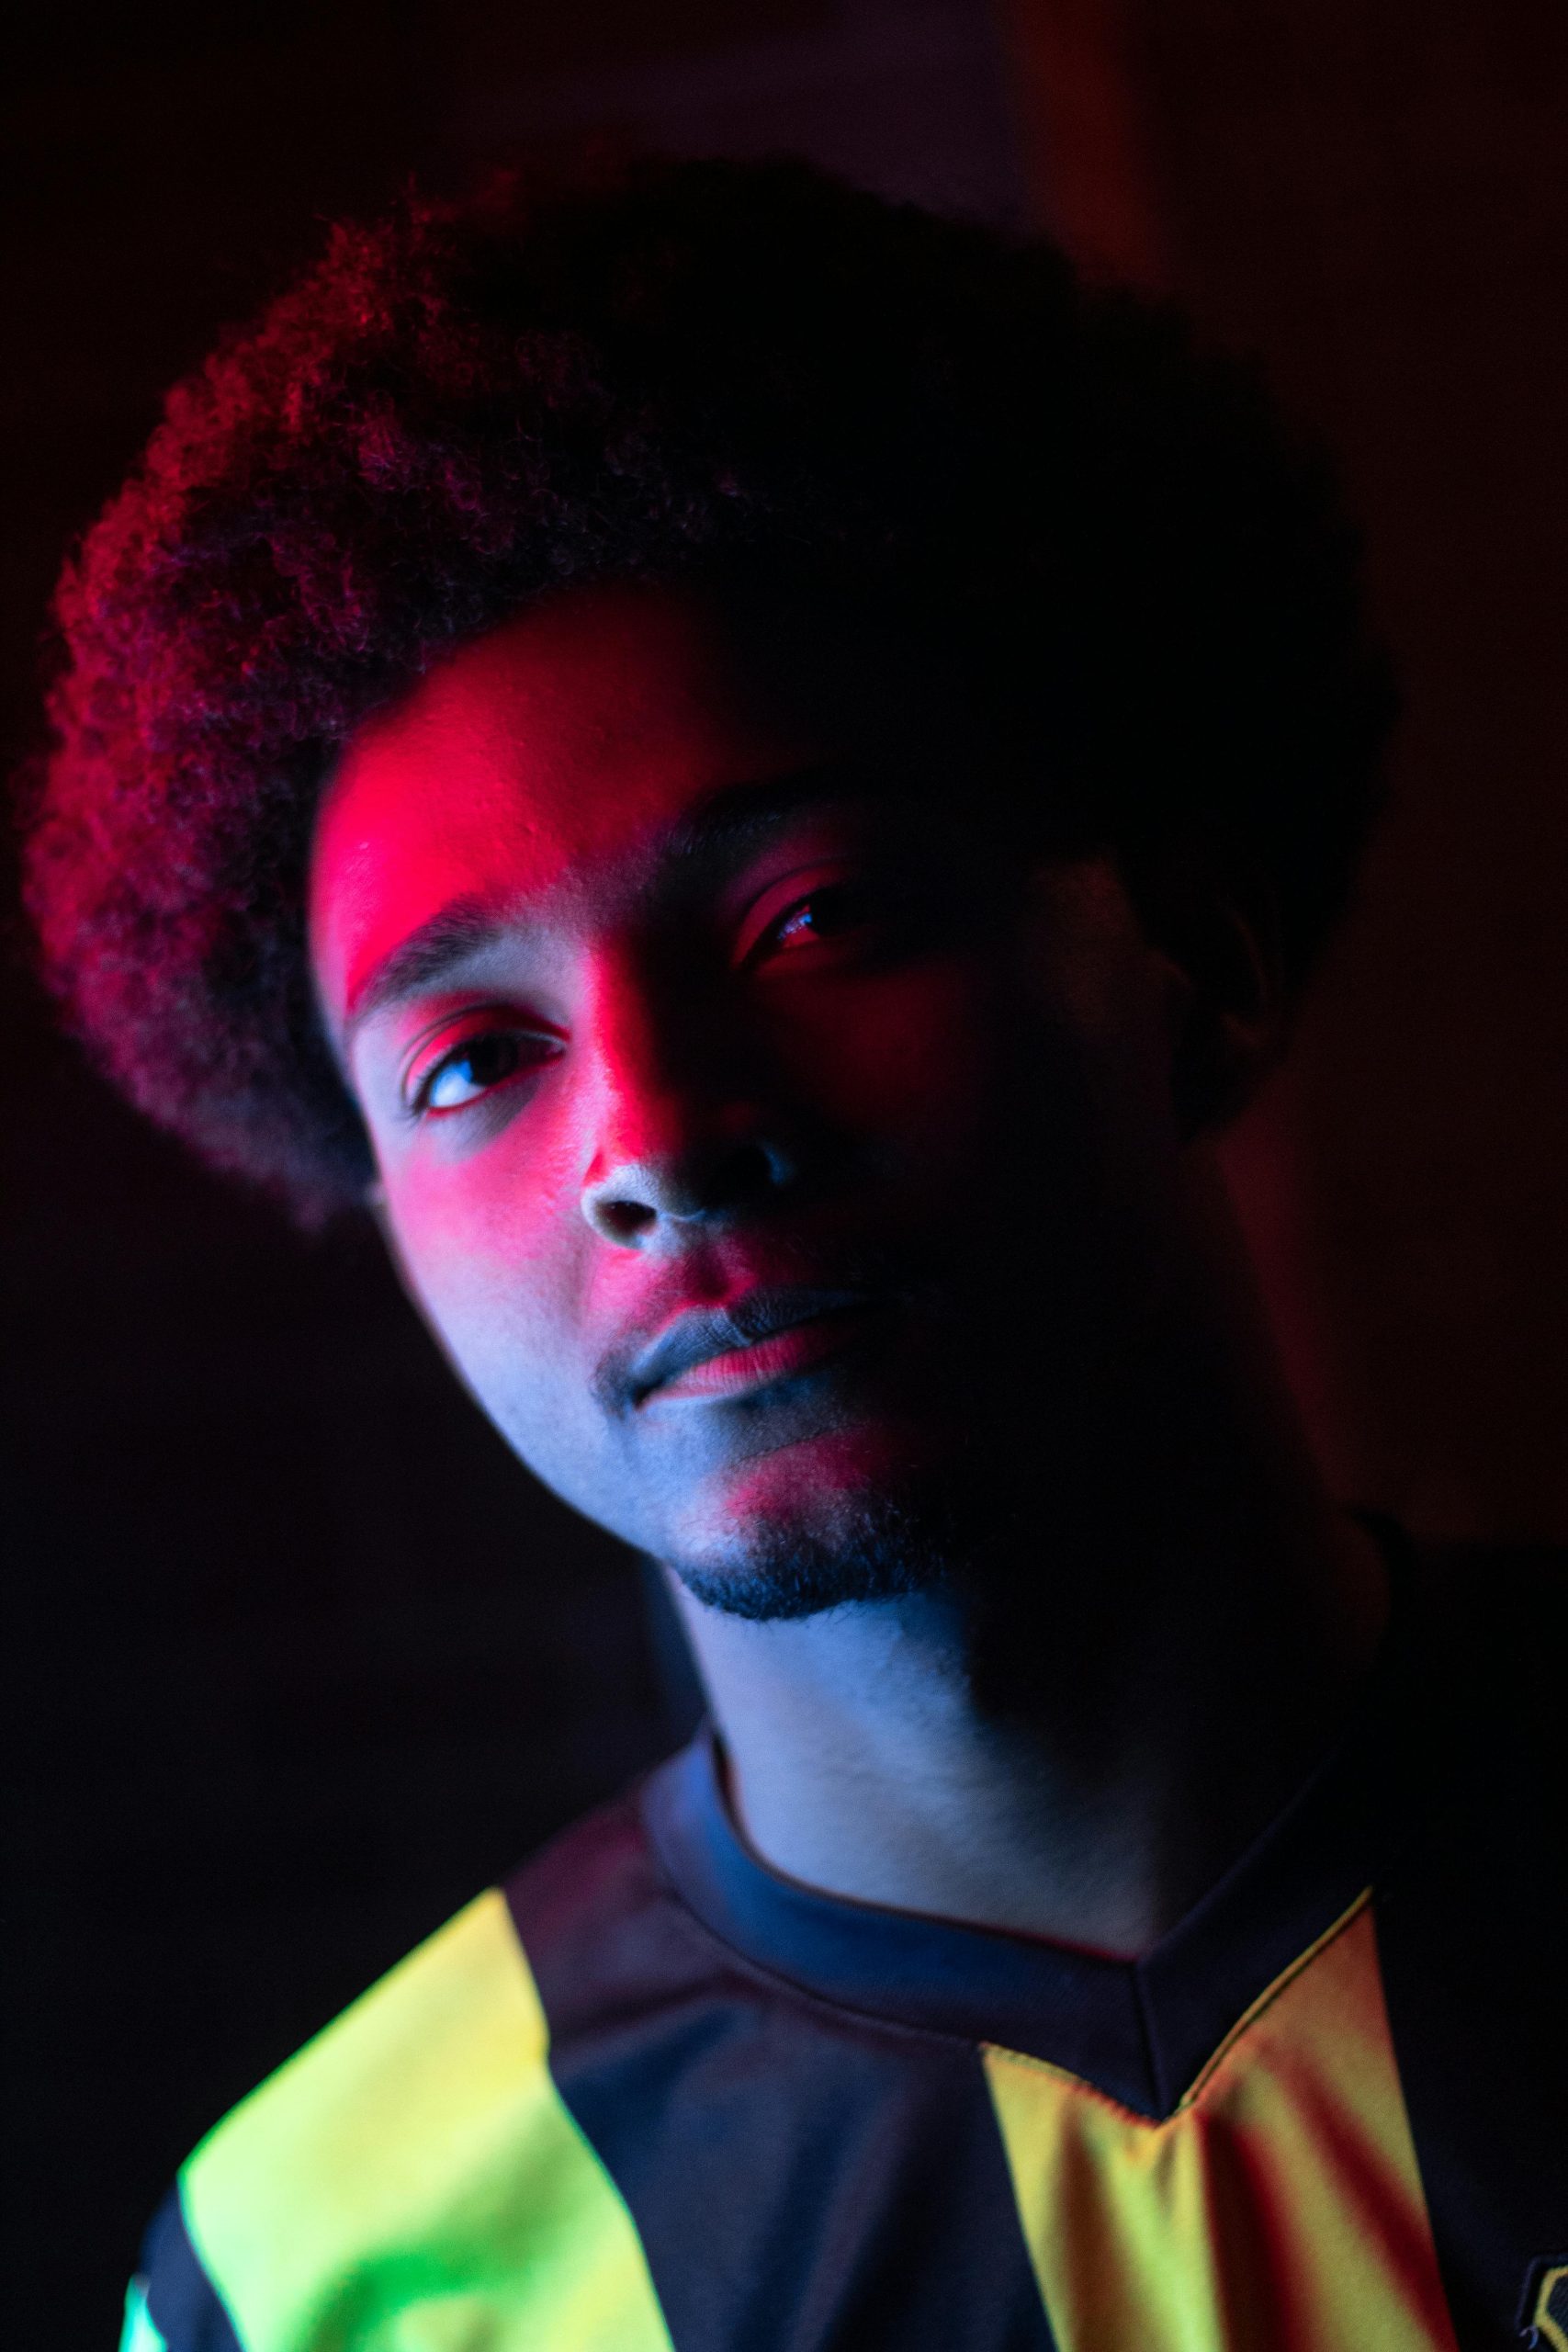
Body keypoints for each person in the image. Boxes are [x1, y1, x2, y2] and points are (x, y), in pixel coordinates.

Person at [23, 157, 1563, 2352]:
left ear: (1189, 968)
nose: (653, 1135)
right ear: (386, 1227)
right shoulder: (311, 2285)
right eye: (472, 1060)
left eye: (808, 916)